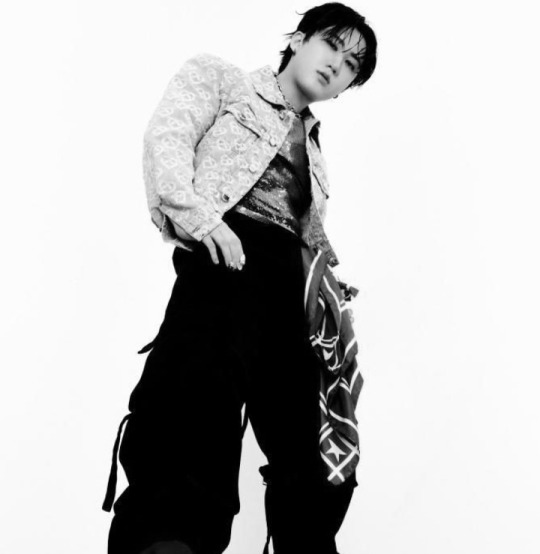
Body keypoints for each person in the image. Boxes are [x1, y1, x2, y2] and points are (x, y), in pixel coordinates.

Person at [102, 3, 377, 553]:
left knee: (312, 445)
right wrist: (204, 221)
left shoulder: (316, 155)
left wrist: (328, 289)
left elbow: (304, 233)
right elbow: (166, 142)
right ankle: (167, 543)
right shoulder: (223, 80)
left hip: (292, 295)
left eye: (351, 65)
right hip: (227, 265)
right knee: (193, 406)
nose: (337, 65)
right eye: (331, 44)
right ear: (297, 38)